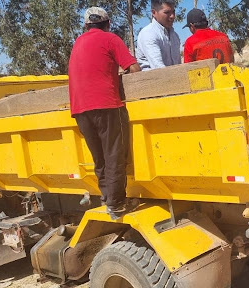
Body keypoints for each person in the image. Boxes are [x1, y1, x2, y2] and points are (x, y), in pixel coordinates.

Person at [68, 7, 141, 220]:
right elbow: (134, 69)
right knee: (114, 156)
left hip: (80, 109)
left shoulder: (78, 43)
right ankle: (117, 205)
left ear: (86, 26)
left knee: (99, 158)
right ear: (107, 24)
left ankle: (107, 197)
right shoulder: (110, 39)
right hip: (107, 105)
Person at [136, 0, 181, 70]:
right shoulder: (148, 34)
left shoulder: (175, 36)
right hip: (153, 79)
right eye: (167, 12)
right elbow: (159, 68)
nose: (172, 16)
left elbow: (178, 65)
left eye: (173, 12)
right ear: (154, 13)